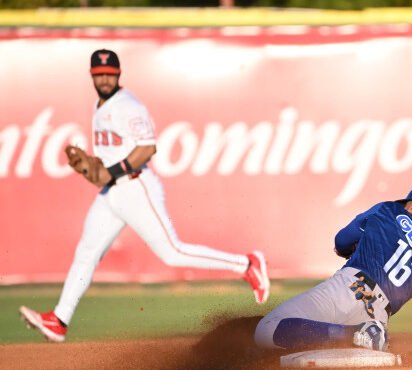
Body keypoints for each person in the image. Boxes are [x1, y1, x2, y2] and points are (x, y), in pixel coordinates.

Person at [19, 49, 270, 343]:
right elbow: (108, 159)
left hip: (136, 187)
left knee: (172, 252)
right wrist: (92, 167)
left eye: (109, 73)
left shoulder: (128, 106)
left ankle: (247, 265)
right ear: (92, 76)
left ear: (118, 73)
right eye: (99, 74)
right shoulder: (99, 105)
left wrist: (109, 171)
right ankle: (59, 320)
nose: (104, 78)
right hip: (111, 192)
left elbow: (147, 147)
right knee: (86, 252)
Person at [254, 185, 412, 355]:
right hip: (379, 314)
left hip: (349, 288)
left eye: (409, 202)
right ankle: (365, 335)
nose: (406, 204)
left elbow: (342, 241)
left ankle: (353, 334)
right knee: (318, 345)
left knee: (267, 329)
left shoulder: (388, 210)